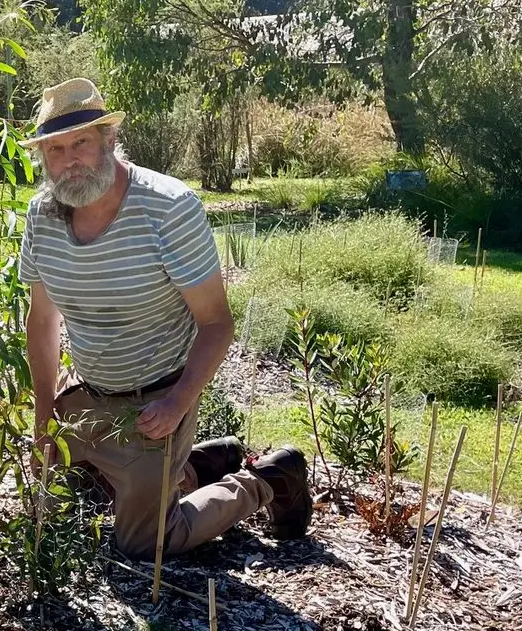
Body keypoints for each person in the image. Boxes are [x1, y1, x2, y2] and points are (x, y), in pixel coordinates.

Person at [19, 78, 313, 560]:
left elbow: (217, 324)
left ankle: (266, 479)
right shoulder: (42, 216)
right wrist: (44, 414)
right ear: (43, 158)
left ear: (109, 140)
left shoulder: (168, 208)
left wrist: (177, 403)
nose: (69, 160)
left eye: (81, 143)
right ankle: (199, 465)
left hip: (156, 399)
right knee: (67, 499)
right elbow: (42, 321)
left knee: (144, 542)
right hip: (89, 393)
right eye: (55, 149)